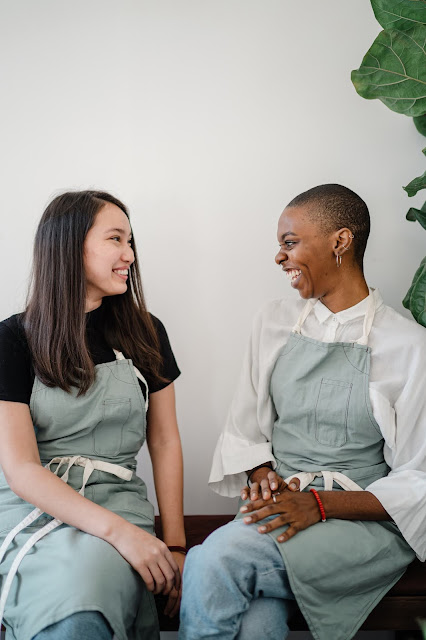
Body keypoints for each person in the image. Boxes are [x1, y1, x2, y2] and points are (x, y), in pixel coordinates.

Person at [179, 184, 426, 640]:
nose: (279, 257)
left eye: (290, 243)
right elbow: (245, 428)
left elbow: (419, 480)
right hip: (279, 508)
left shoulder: (408, 345)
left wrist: (318, 504)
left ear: (340, 241)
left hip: (360, 524)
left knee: (213, 560)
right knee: (257, 625)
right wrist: (261, 475)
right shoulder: (272, 321)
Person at [0, 191, 186, 640]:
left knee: (88, 595)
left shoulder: (146, 332)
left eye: (130, 239)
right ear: (69, 246)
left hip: (118, 502)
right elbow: (22, 469)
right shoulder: (13, 339)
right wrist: (121, 535)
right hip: (32, 514)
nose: (130, 254)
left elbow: (164, 442)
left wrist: (176, 545)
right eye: (116, 239)